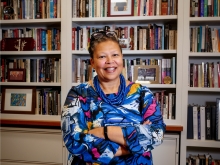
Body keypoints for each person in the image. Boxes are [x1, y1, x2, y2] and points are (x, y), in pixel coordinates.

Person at [61, 30, 166, 165]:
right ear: (92, 62)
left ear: (122, 58)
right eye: (102, 57)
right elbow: (75, 143)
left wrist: (103, 132)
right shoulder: (78, 94)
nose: (110, 61)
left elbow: (157, 134)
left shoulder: (142, 94)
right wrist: (133, 143)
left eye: (115, 55)